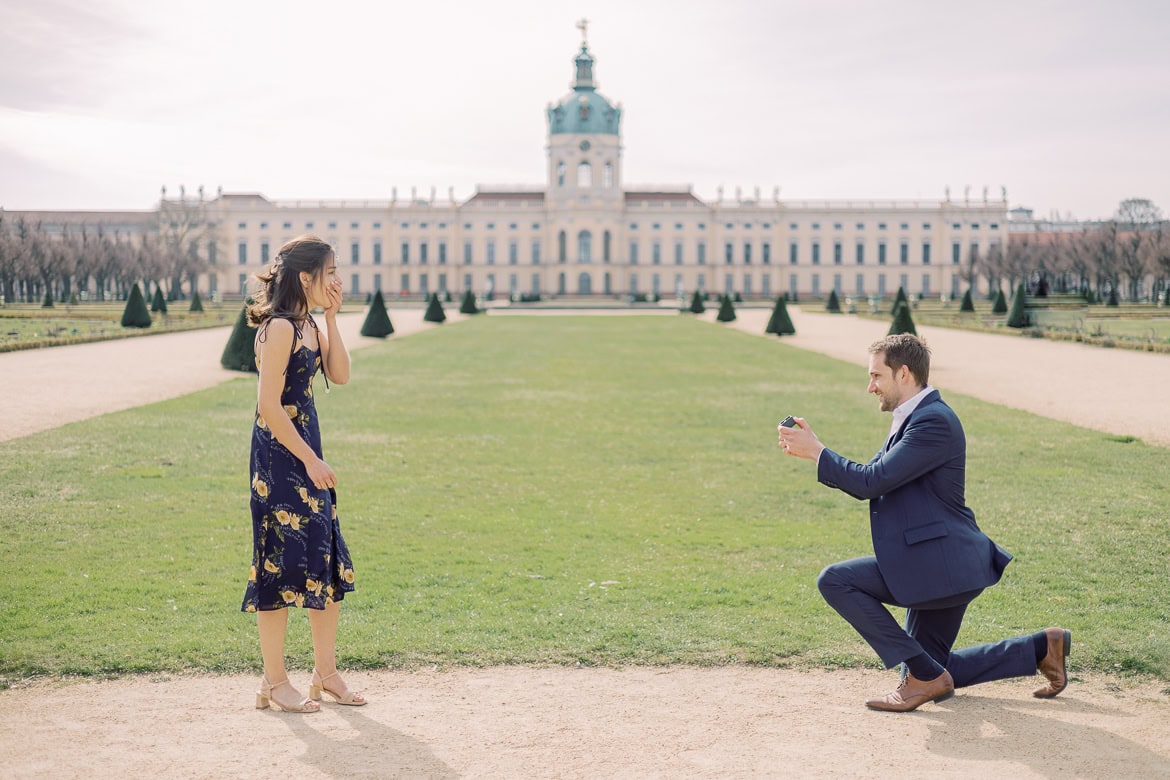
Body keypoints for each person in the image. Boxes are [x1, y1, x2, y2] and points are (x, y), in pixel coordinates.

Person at [778, 334, 1070, 712]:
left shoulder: (933, 421)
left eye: (876, 376)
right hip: (937, 560)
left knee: (836, 580)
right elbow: (872, 476)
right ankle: (1041, 648)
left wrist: (817, 452)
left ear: (903, 373)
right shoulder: (916, 416)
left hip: (939, 565)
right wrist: (815, 449)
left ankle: (926, 676)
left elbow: (871, 483)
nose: (870, 387)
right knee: (929, 668)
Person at [242, 235, 366, 712]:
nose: (337, 280)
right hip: (278, 459)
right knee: (276, 564)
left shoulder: (309, 324)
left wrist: (333, 319)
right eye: (330, 272)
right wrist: (310, 461)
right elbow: (269, 407)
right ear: (305, 277)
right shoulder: (278, 329)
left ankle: (325, 673)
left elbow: (340, 375)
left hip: (308, 454)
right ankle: (274, 682)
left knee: (323, 560)